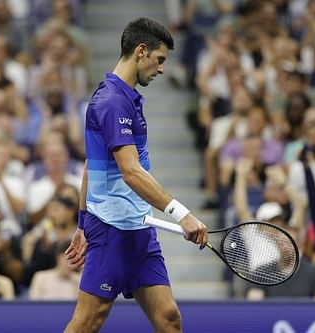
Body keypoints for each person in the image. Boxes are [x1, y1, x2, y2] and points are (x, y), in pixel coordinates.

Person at [64, 18, 208, 333]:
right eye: (159, 60)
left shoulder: (124, 98)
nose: (161, 69)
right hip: (112, 230)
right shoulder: (113, 102)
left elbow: (93, 164)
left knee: (169, 318)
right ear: (141, 51)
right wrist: (181, 214)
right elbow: (130, 172)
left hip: (139, 230)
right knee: (87, 322)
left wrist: (80, 223)